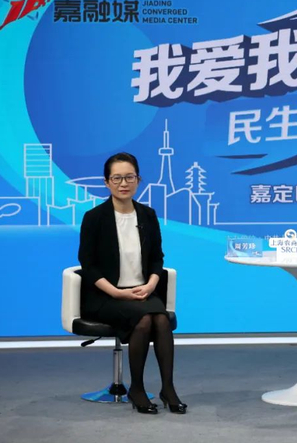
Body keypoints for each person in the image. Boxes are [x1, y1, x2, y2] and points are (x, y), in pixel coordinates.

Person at [78, 152, 186, 415]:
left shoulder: (147, 215)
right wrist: (116, 292)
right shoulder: (94, 217)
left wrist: (151, 285)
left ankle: (168, 388)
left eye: (129, 177)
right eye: (117, 178)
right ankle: (137, 388)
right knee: (146, 319)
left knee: (160, 319)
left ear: (138, 180)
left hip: (142, 292)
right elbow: (87, 265)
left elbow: (157, 258)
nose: (123, 183)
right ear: (106, 182)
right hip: (105, 296)